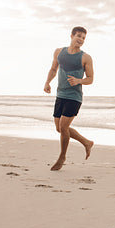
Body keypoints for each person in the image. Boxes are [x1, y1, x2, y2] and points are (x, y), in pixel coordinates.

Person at [44, 26, 94, 171]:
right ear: (71, 36)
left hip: (74, 97)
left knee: (64, 127)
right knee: (59, 128)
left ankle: (62, 157)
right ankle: (86, 142)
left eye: (84, 38)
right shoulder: (59, 52)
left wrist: (79, 81)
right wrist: (47, 82)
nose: (81, 39)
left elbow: (90, 79)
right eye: (78, 36)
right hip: (60, 95)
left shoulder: (85, 57)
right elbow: (53, 69)